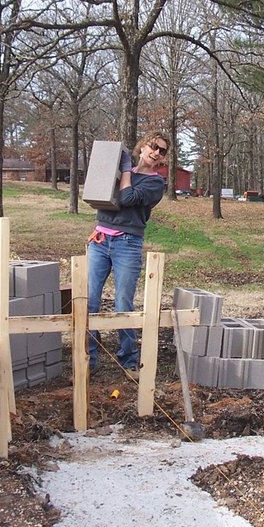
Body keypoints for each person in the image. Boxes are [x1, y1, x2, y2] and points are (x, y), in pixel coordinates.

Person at [87, 130, 170, 373]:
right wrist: (121, 169)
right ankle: (88, 360)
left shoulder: (156, 183)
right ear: (142, 147)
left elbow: (126, 197)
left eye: (162, 151)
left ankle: (128, 360)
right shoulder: (119, 171)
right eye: (153, 146)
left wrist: (125, 171)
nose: (156, 153)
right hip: (100, 240)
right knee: (90, 300)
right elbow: (97, 192)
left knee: (123, 302)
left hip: (128, 243)